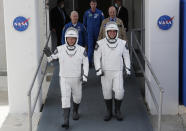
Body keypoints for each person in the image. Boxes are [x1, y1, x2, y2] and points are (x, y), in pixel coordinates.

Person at [43, 27, 89, 129]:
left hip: (77, 78)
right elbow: (51, 59)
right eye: (69, 38)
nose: (71, 40)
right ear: (66, 38)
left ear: (76, 39)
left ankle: (75, 111)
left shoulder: (81, 50)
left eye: (73, 38)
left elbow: (86, 63)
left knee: (77, 97)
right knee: (65, 98)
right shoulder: (60, 49)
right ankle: (66, 120)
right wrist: (48, 54)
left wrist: (85, 75)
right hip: (64, 78)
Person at [94, 22, 131, 121]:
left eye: (114, 31)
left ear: (117, 32)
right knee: (107, 92)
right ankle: (109, 111)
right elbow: (96, 57)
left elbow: (126, 57)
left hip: (118, 71)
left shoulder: (123, 43)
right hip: (105, 72)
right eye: (110, 31)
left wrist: (128, 69)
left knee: (119, 92)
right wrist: (98, 69)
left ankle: (117, 110)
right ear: (106, 32)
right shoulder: (100, 43)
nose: (112, 33)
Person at [83, 0, 104, 66]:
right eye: (92, 4)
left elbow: (103, 24)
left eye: (94, 4)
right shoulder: (86, 13)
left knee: (99, 48)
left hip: (98, 34)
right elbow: (84, 24)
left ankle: (99, 63)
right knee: (90, 48)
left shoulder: (100, 12)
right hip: (90, 34)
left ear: (96, 4)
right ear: (90, 4)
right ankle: (89, 63)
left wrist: (102, 33)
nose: (93, 5)